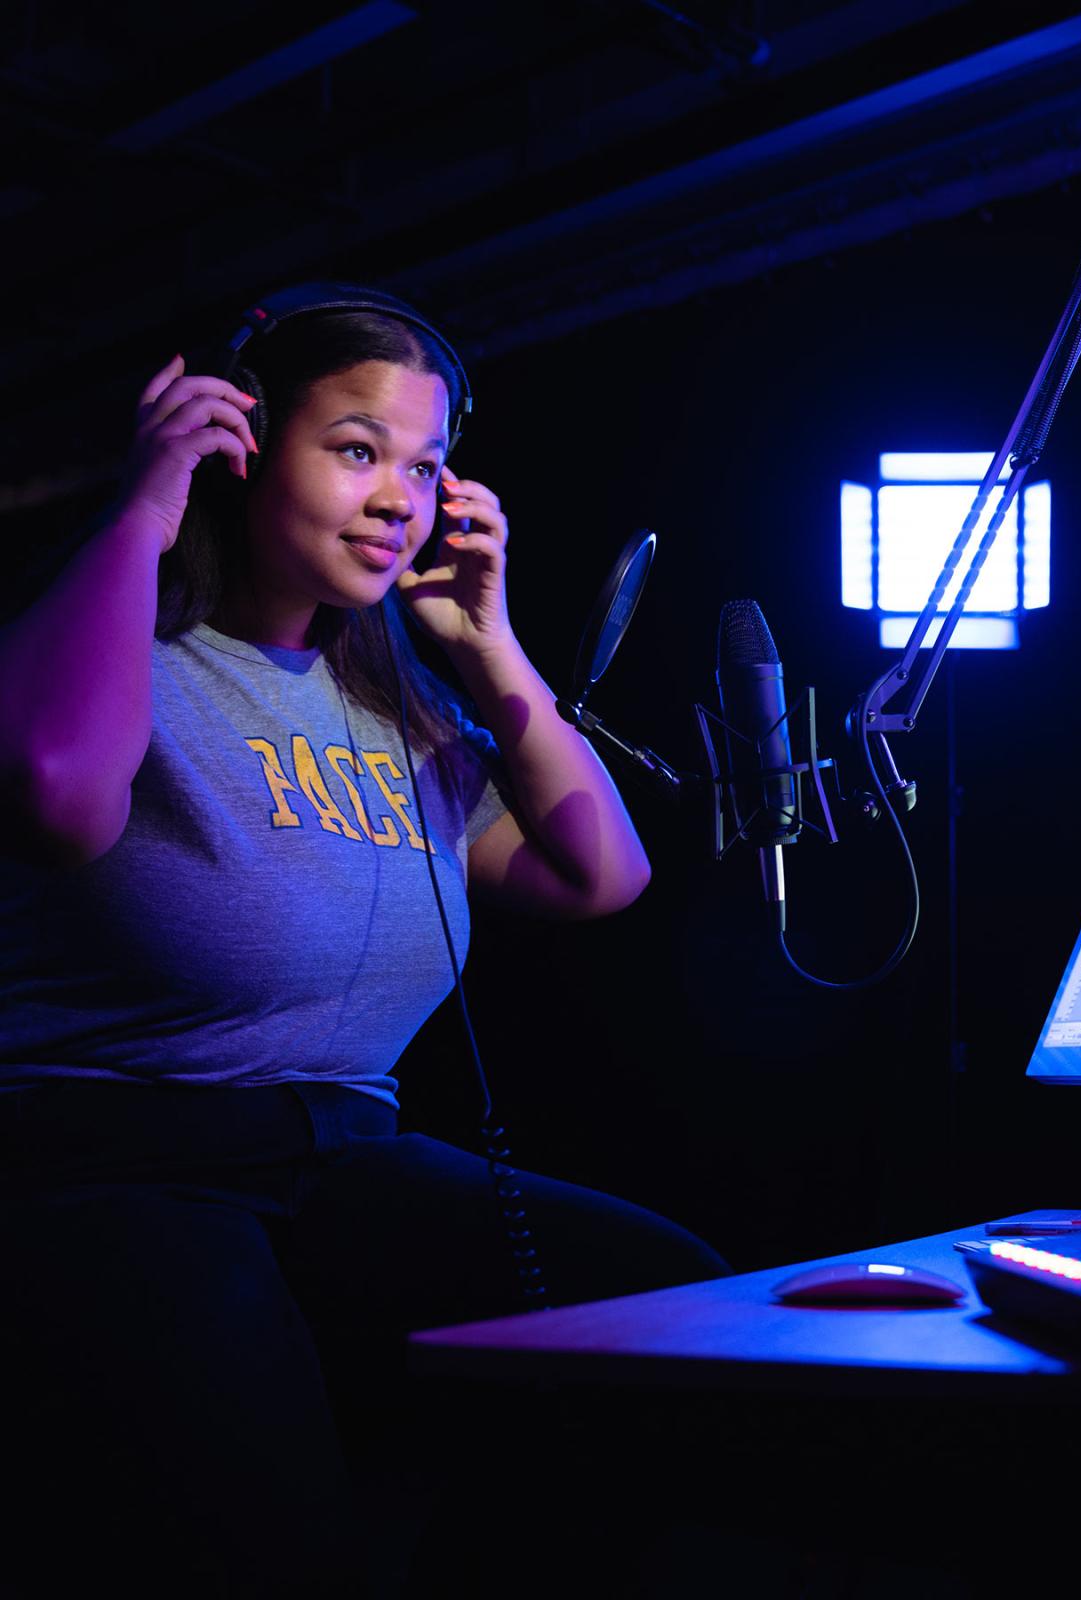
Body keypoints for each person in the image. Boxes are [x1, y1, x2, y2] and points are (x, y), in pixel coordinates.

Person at [0, 289, 729, 1597]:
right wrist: (143, 510)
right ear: (243, 444)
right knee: (261, 1510)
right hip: (111, 1160)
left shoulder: (408, 712)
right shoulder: (116, 657)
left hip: (343, 1158)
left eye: (427, 465)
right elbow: (54, 785)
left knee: (675, 1315)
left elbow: (601, 875)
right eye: (355, 448)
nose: (398, 494)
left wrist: (493, 650)